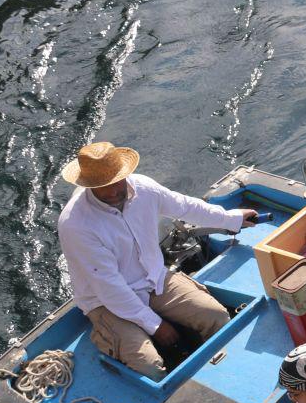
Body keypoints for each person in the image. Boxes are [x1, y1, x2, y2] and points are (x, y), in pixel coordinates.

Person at [56, 141, 258, 380]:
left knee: (217, 317)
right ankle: (107, 334)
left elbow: (184, 206)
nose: (111, 191)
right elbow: (110, 288)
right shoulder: (75, 224)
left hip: (154, 279)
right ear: (87, 185)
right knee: (150, 368)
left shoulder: (144, 188)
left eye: (115, 182)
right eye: (102, 186)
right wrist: (156, 326)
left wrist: (231, 219)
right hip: (106, 302)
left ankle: (220, 376)